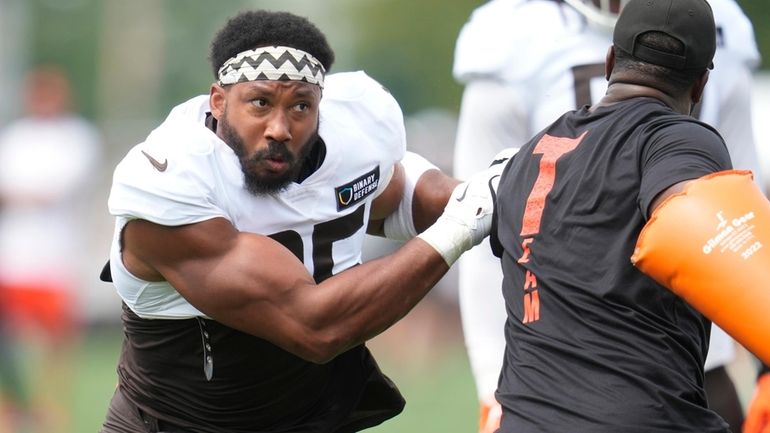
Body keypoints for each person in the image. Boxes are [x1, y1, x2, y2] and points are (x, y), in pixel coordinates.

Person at [98, 10, 509, 433]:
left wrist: (504, 193)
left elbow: (397, 195)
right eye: (260, 102)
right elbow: (314, 326)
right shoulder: (174, 181)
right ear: (218, 101)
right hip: (182, 423)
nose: (280, 127)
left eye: (300, 105)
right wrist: (467, 217)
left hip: (310, 417)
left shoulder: (353, 129)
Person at [451, 0, 767, 431]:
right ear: (700, 86)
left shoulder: (524, 157)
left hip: (533, 403)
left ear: (610, 62)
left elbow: (463, 219)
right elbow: (721, 221)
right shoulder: (683, 140)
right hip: (647, 400)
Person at [0, 65, 102, 433]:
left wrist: (20, 195)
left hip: (55, 257)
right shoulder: (15, 137)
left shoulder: (77, 136)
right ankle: (12, 411)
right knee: (10, 343)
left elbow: (54, 192)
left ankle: (50, 413)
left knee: (56, 344)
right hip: (11, 257)